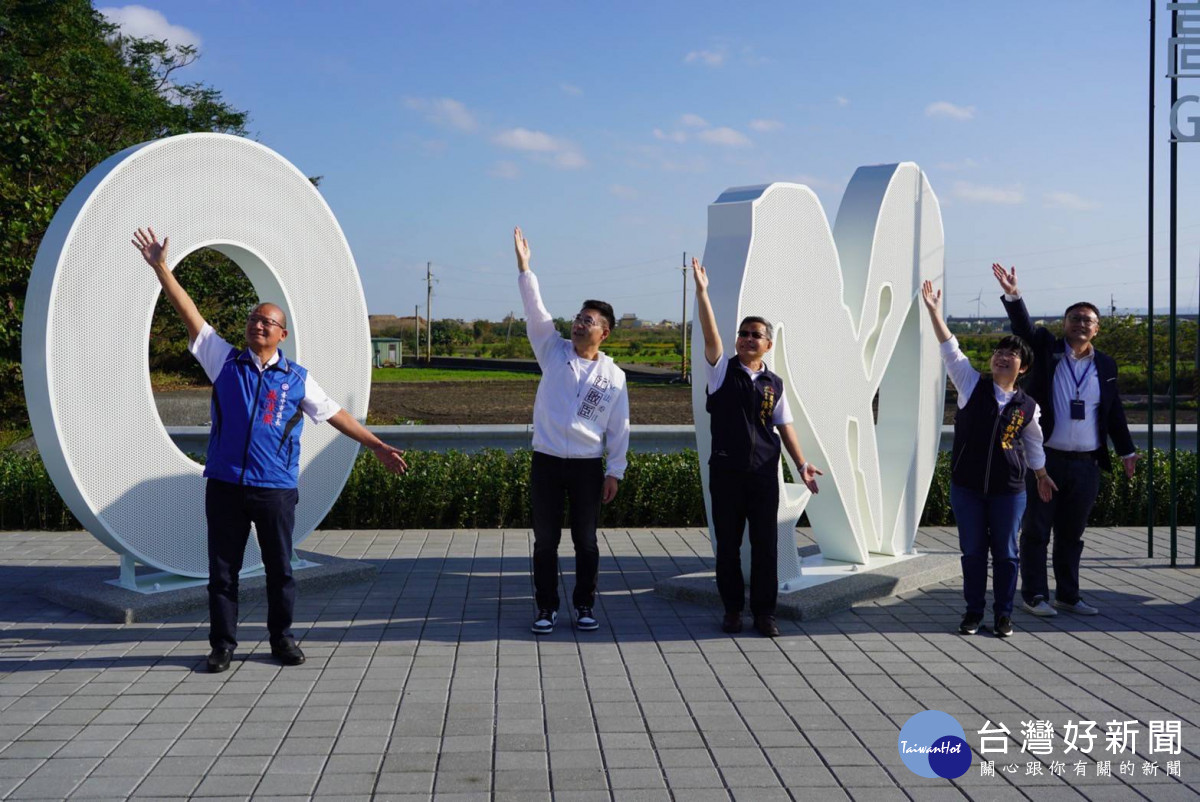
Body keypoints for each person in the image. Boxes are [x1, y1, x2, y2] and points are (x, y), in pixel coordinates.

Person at [133, 228, 408, 673]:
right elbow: (191, 315)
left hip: (275, 489)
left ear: (281, 333)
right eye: (253, 319)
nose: (258, 324)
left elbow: (336, 413)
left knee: (280, 570)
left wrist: (374, 444)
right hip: (225, 485)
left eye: (268, 321)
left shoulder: (297, 378)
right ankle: (222, 645)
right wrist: (162, 268)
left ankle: (282, 639)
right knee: (222, 574)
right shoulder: (224, 361)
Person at [993, 264, 1139, 617]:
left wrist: (1126, 450)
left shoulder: (1105, 365)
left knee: (1072, 534)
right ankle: (1034, 596)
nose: (1080, 323)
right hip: (1047, 460)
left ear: (1097, 329)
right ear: (1065, 323)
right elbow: (1024, 328)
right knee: (1037, 530)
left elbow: (1113, 410)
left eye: (1087, 320)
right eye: (1074, 318)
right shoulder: (1046, 348)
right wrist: (1014, 295)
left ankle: (1069, 595)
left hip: (1087, 463)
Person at [692, 258, 822, 638]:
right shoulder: (721, 372)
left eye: (755, 335)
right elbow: (709, 333)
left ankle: (765, 613)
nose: (748, 339)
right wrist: (702, 293)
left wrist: (801, 464)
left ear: (768, 343)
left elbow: (784, 424)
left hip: (765, 473)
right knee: (728, 548)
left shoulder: (774, 383)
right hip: (727, 472)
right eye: (743, 334)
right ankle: (733, 610)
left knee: (766, 547)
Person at [513, 226, 630, 635]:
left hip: (585, 466)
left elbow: (619, 427)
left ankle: (584, 605)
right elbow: (536, 311)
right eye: (579, 318)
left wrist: (615, 470)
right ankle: (546, 608)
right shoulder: (552, 350)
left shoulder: (613, 376)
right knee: (545, 542)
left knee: (587, 542)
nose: (580, 325)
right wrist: (526, 268)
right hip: (546, 462)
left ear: (605, 332)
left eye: (589, 321)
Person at [921, 280, 1054, 637]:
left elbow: (1034, 444)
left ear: (1022, 367)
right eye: (998, 351)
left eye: (1010, 354)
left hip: (1009, 491)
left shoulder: (1028, 406)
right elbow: (951, 350)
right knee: (974, 553)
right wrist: (935, 312)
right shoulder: (971, 384)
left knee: (1008, 554)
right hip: (967, 487)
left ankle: (1004, 614)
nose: (1001, 356)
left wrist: (1040, 474)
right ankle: (973, 612)